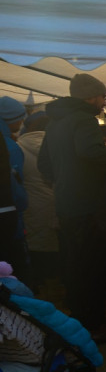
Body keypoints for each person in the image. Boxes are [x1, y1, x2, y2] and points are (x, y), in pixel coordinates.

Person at [38, 74, 106, 343]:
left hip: (66, 205)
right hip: (88, 205)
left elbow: (45, 164)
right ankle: (94, 325)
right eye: (102, 97)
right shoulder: (84, 119)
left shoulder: (55, 123)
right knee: (94, 267)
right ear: (91, 97)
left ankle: (84, 320)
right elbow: (90, 151)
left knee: (76, 265)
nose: (104, 103)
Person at [16, 112, 60, 294]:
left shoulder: (18, 147)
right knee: (55, 245)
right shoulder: (58, 146)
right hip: (57, 203)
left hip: (31, 205)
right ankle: (55, 285)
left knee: (35, 244)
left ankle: (39, 285)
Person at [0, 97, 28, 275]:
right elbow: (15, 184)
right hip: (8, 215)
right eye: (20, 117)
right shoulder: (9, 147)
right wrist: (23, 203)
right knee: (13, 269)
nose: (21, 121)